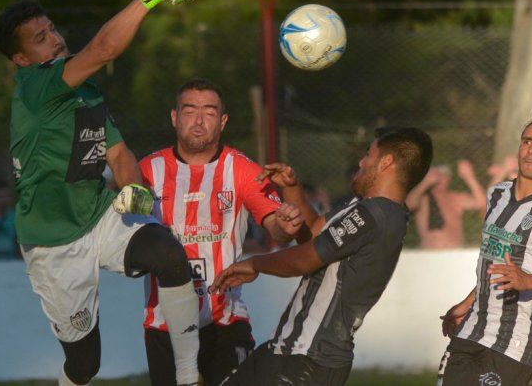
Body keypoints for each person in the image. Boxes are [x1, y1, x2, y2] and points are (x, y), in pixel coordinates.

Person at [0, 0, 204, 386]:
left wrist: (135, 188)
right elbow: (105, 48)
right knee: (85, 366)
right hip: (53, 243)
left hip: (98, 214)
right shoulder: (36, 86)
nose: (55, 39)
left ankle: (188, 375)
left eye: (52, 29)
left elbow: (119, 154)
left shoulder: (85, 91)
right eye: (40, 38)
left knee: (167, 253)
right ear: (21, 59)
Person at [210, 126, 433, 386]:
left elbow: (304, 259)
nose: (361, 162)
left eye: (368, 154)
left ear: (386, 162)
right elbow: (312, 232)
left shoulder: (375, 215)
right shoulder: (367, 208)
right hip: (289, 352)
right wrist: (292, 187)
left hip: (308, 360)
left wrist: (254, 264)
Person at [138, 78, 305, 386]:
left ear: (223, 121)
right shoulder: (147, 171)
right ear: (174, 117)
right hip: (164, 324)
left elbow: (277, 229)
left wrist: (286, 224)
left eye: (210, 112)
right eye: (190, 110)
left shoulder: (242, 169)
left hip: (225, 320)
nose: (199, 120)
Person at [437, 106, 532, 386]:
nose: (531, 150)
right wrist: (467, 303)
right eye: (527, 141)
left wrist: (530, 281)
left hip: (516, 345)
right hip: (470, 332)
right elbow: (496, 263)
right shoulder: (497, 194)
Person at [406, 160, 485, 249]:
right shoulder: (423, 198)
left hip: (456, 252)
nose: (441, 178)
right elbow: (408, 205)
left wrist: (469, 177)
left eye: (445, 175)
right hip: (429, 253)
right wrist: (425, 183)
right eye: (437, 174)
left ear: (449, 178)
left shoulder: (455, 198)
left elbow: (482, 203)